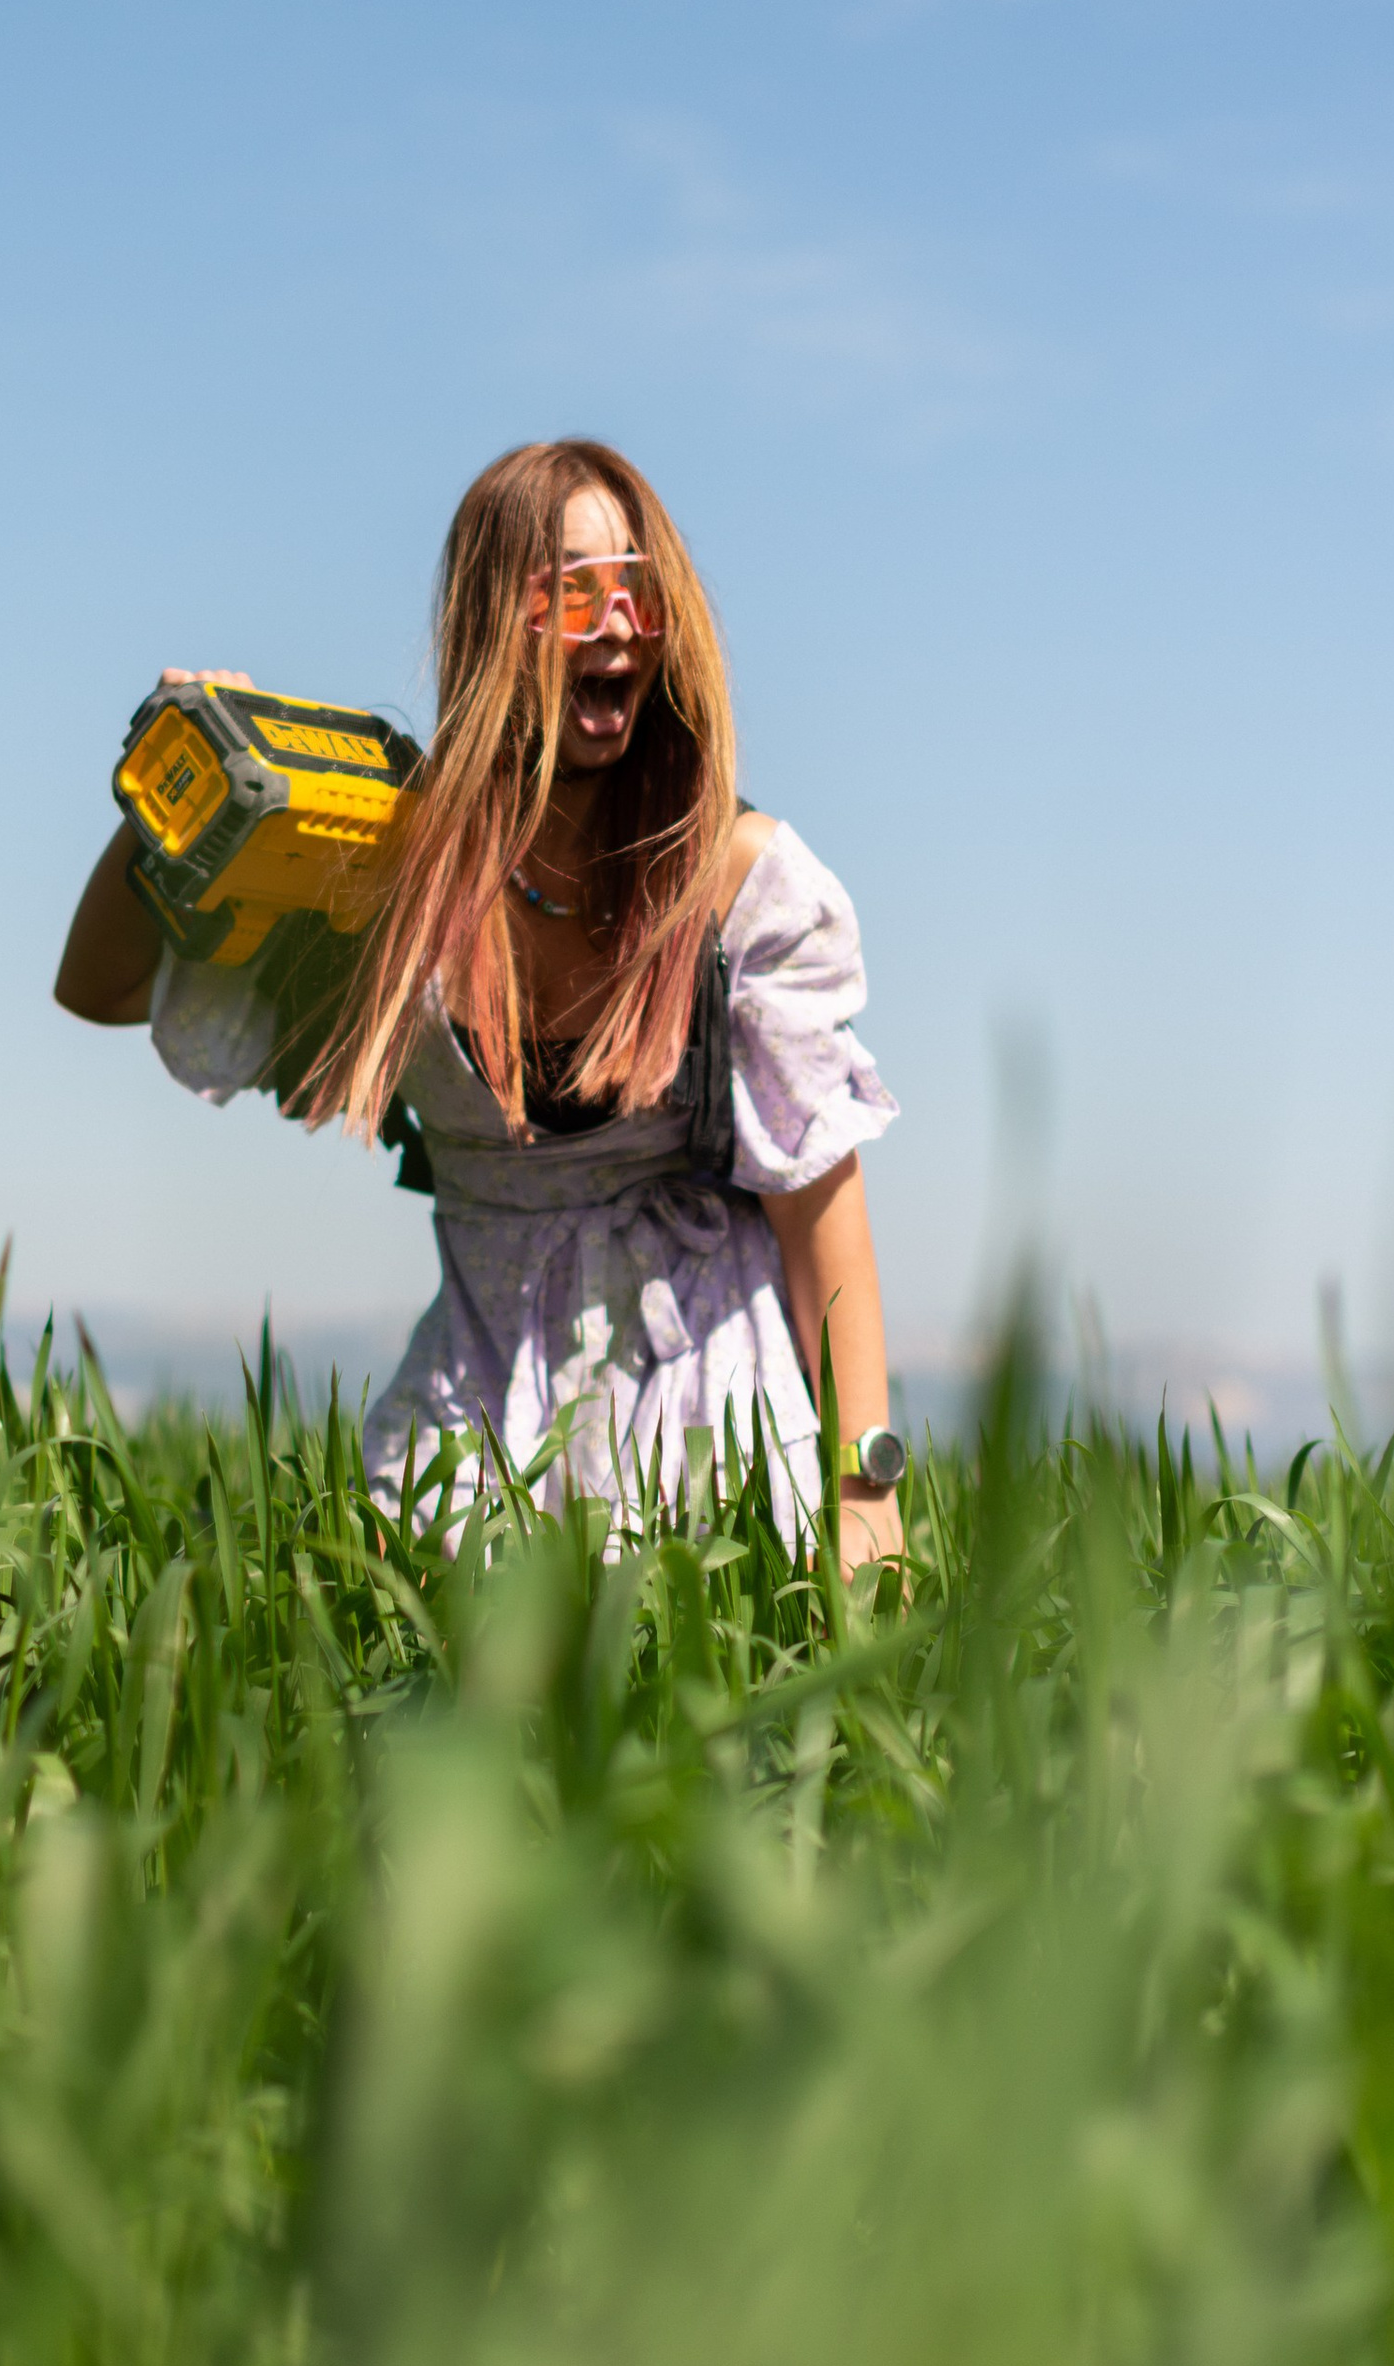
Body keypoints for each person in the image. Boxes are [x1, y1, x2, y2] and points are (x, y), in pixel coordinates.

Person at [54, 439, 903, 1566]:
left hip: (710, 1434)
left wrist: (866, 1489)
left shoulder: (734, 883)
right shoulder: (388, 880)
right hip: (471, 1436)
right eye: (572, 592)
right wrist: (183, 784)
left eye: (639, 594)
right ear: (491, 623)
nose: (615, 627)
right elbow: (98, 988)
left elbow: (818, 1209)